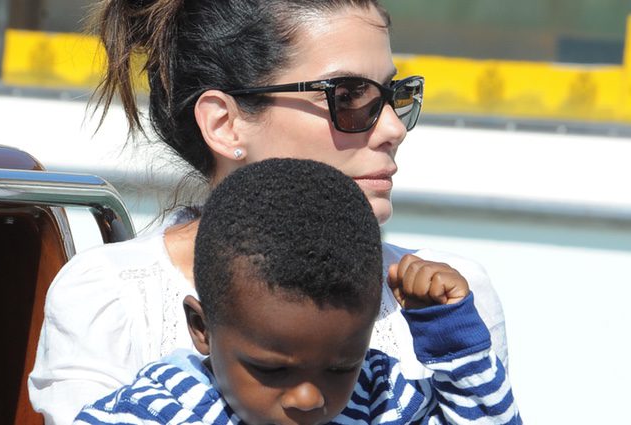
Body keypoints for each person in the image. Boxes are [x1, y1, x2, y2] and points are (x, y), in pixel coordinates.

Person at [29, 1, 509, 424]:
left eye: (393, 95)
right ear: (225, 123)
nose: (391, 128)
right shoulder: (113, 299)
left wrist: (451, 336)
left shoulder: (448, 303)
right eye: (348, 97)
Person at [74, 158, 520, 425]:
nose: (309, 399)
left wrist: (450, 338)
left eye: (341, 367)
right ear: (201, 327)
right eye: (271, 370)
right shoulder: (158, 410)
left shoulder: (379, 397)